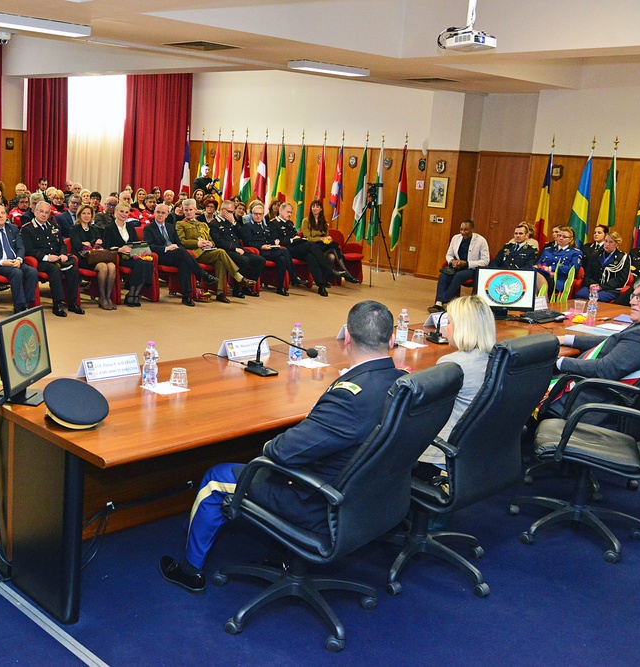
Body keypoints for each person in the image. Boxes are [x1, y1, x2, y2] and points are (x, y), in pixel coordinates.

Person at [159, 300, 405, 593]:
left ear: (348, 338)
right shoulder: (402, 382)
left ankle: (189, 571)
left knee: (215, 479)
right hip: (373, 496)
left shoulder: (348, 398)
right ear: (391, 339)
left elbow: (280, 452)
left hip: (319, 503)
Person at [417, 296, 495, 473]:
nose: (444, 330)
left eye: (449, 323)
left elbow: (428, 408)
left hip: (446, 453)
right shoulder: (497, 357)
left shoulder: (452, 364)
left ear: (463, 328)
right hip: (483, 448)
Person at [556, 276, 640, 381]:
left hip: (588, 392)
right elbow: (614, 340)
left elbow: (604, 370)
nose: (631, 302)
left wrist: (557, 362)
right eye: (634, 296)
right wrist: (566, 339)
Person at [175, 198, 254, 303]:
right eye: (186, 210)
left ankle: (220, 293)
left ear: (195, 210)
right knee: (221, 252)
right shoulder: (180, 224)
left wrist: (209, 243)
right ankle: (238, 277)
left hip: (207, 251)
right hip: (194, 254)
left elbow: (212, 240)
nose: (188, 212)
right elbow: (182, 242)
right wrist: (197, 243)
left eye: (190, 210)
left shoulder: (202, 224)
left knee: (220, 262)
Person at [144, 203, 217, 307]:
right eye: (158, 212)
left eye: (163, 213)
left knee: (184, 263)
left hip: (175, 254)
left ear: (167, 214)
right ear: (154, 213)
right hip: (161, 255)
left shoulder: (171, 227)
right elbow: (149, 246)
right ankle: (201, 274)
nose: (160, 215)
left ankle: (186, 296)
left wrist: (176, 247)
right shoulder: (149, 228)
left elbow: (179, 243)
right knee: (182, 252)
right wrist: (166, 248)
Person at [20, 201, 85, 317]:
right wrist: (46, 257)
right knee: (54, 269)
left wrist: (63, 254)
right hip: (40, 261)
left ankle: (72, 302)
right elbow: (28, 250)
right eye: (41, 212)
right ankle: (57, 303)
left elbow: (62, 244)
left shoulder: (53, 225)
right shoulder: (27, 229)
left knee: (73, 270)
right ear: (35, 212)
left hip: (57, 258)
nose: (44, 215)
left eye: (46, 212)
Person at [269, 201, 340, 296]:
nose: (289, 214)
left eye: (291, 212)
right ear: (281, 211)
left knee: (311, 256)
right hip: (287, 249)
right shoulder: (273, 223)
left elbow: (294, 235)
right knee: (311, 245)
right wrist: (291, 239)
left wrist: (297, 238)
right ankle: (328, 271)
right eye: (288, 212)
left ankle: (321, 286)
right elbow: (276, 240)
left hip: (297, 246)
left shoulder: (290, 223)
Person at [0, 204, 39, 314]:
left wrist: (19, 259)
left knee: (32, 272)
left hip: (15, 261)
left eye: (2, 213)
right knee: (17, 273)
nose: (0, 216)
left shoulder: (13, 228)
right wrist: (3, 262)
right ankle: (19, 306)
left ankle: (27, 303)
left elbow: (20, 247)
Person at [101, 202, 154, 307]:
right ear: (116, 212)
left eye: (126, 212)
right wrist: (119, 249)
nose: (124, 214)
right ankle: (132, 294)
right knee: (140, 264)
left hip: (133, 255)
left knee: (147, 263)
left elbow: (134, 242)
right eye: (121, 211)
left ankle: (134, 293)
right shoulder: (109, 228)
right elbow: (106, 246)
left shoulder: (130, 227)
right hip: (119, 256)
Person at [430, 220, 490, 311]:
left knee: (458, 276)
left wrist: (467, 263)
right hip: (457, 267)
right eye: (461, 229)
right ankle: (438, 302)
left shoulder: (481, 240)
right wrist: (452, 261)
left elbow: (485, 261)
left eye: (466, 230)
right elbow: (448, 255)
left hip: (472, 269)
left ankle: (445, 301)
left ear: (472, 229)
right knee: (443, 276)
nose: (463, 232)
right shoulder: (456, 238)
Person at [209, 199, 264, 298]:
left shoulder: (232, 222)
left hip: (239, 249)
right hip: (226, 251)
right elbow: (218, 242)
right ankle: (237, 289)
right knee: (244, 260)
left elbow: (244, 236)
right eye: (229, 212)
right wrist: (235, 249)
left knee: (260, 260)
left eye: (232, 212)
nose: (231, 214)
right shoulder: (214, 223)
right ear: (222, 210)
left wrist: (234, 223)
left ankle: (247, 287)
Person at [240, 202, 295, 296]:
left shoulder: (265, 227)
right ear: (251, 214)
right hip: (258, 251)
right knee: (284, 251)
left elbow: (269, 239)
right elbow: (248, 242)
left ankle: (280, 286)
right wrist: (261, 247)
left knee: (281, 259)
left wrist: (274, 242)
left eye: (260, 214)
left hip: (269, 250)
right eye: (255, 214)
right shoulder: (247, 226)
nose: (258, 216)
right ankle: (293, 276)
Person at [300, 200, 361, 284]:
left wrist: (328, 238)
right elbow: (308, 238)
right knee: (335, 248)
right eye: (313, 206)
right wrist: (320, 239)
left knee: (332, 256)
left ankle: (328, 278)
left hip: (324, 245)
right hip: (313, 245)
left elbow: (326, 235)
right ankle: (346, 274)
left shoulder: (323, 221)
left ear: (321, 209)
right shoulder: (306, 221)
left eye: (317, 206)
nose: (315, 208)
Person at [69, 204, 116, 310]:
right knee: (103, 267)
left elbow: (100, 242)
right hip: (82, 258)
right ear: (79, 215)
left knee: (112, 266)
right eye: (84, 213)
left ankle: (108, 297)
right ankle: (102, 297)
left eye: (88, 213)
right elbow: (78, 245)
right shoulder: (74, 228)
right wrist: (92, 242)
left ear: (92, 216)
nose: (86, 216)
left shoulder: (94, 229)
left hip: (95, 257)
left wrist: (89, 243)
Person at [575, 230, 630, 302]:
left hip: (609, 289)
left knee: (597, 299)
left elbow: (621, 279)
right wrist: (591, 284)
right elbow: (588, 274)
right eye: (606, 241)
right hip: (592, 286)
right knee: (579, 295)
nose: (607, 244)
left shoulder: (623, 258)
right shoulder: (596, 255)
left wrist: (601, 287)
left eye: (610, 242)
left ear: (616, 244)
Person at [535, 226, 583, 295]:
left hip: (559, 281)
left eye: (564, 237)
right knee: (534, 276)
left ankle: (543, 301)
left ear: (571, 239)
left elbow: (573, 269)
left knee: (535, 278)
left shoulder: (575, 253)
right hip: (543, 276)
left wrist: (551, 269)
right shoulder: (548, 250)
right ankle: (542, 301)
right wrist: (546, 271)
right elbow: (538, 264)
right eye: (559, 235)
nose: (560, 238)